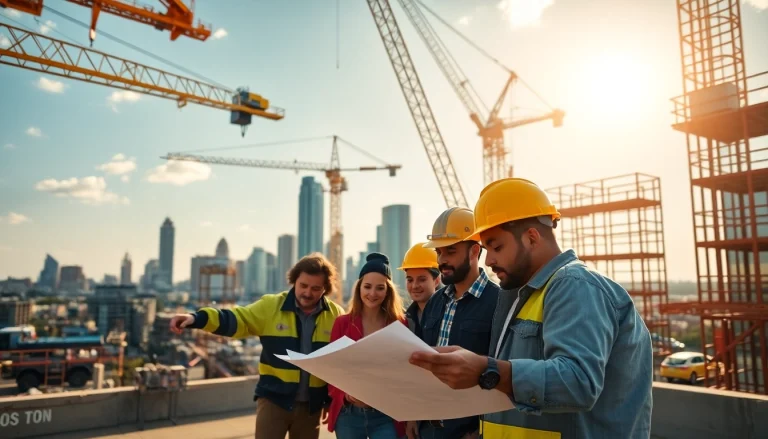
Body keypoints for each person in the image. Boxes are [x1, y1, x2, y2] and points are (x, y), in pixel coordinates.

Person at [409, 178, 653, 439]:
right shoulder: (516, 295)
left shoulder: (574, 285)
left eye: (497, 246)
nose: (489, 260)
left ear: (532, 237)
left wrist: (486, 370)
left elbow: (577, 382)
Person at [169, 252, 346, 439]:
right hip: (273, 401)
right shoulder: (271, 306)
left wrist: (330, 400)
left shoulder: (336, 315)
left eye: (316, 288)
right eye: (303, 285)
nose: (308, 293)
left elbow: (339, 364)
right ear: (294, 281)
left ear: (325, 289)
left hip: (311, 408)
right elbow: (236, 319)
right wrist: (196, 319)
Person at [414, 207, 500, 439]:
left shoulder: (498, 303)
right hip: (428, 428)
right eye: (439, 252)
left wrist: (480, 429)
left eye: (450, 251)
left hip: (468, 432)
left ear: (474, 251)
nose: (442, 260)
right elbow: (423, 363)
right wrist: (415, 414)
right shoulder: (434, 303)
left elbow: (501, 371)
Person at [326, 252, 407, 439]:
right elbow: (330, 369)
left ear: (388, 291)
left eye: (380, 288)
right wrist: (345, 394)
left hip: (386, 415)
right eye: (367, 286)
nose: (372, 294)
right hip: (349, 417)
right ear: (359, 288)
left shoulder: (399, 325)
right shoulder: (342, 323)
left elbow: (404, 371)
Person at [398, 242, 441, 338]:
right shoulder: (405, 319)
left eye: (422, 279)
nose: (414, 286)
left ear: (437, 281)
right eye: (410, 280)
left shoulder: (447, 314)